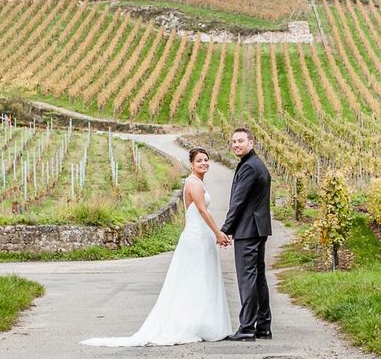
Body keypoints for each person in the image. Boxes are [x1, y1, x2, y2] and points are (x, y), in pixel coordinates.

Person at [80, 148, 232, 347]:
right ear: (192, 164)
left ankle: (203, 321)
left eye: (206, 160)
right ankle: (194, 323)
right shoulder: (194, 184)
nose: (204, 163)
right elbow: (202, 211)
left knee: (203, 277)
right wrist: (218, 233)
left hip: (201, 236)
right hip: (196, 237)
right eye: (199, 161)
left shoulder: (197, 182)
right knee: (197, 277)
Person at [221, 128, 272, 342]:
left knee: (247, 278)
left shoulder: (250, 167)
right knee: (258, 277)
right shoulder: (254, 164)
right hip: (257, 229)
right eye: (233, 141)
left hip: (248, 230)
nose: (236, 144)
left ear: (251, 142)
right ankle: (263, 326)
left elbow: (238, 202)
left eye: (240, 140)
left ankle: (247, 328)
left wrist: (226, 229)